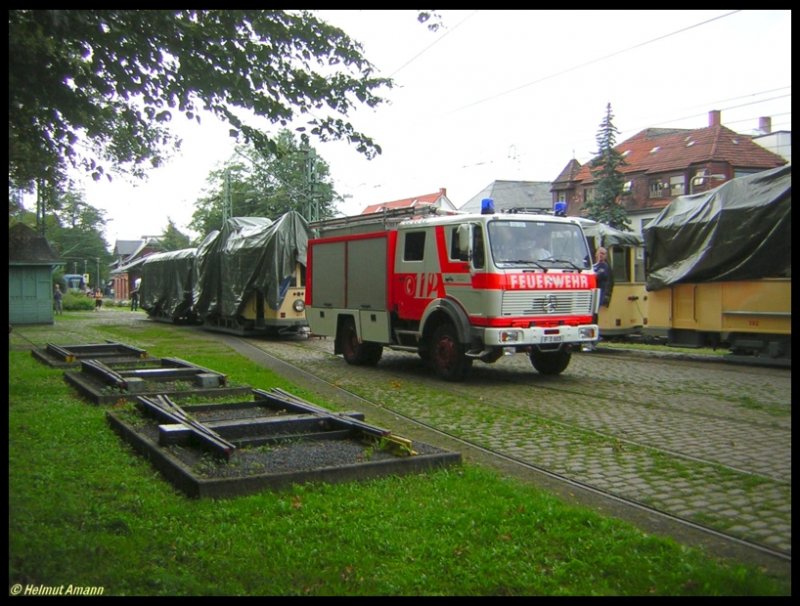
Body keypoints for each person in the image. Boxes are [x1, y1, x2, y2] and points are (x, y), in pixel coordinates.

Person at [584, 246, 613, 352]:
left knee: (592, 318)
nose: (601, 255)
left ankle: (591, 341)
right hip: (588, 297)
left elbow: (593, 277)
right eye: (600, 253)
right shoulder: (592, 266)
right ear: (596, 254)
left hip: (597, 297)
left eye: (603, 254)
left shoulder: (604, 267)